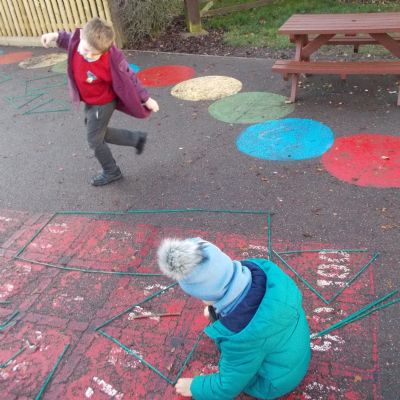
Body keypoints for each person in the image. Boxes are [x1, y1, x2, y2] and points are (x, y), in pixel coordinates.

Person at [157, 238, 311, 400]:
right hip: (290, 358)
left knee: (240, 371)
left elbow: (227, 387)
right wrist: (215, 310)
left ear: (209, 296)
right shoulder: (262, 274)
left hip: (272, 383)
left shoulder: (242, 339)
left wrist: (194, 387)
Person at [41, 17, 159, 186]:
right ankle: (136, 139)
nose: (88, 55)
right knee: (97, 131)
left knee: (94, 140)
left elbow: (130, 76)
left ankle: (112, 171)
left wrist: (146, 98)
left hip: (102, 103)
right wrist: (54, 36)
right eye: (86, 50)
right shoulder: (78, 42)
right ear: (82, 36)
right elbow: (68, 39)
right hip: (90, 101)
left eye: (95, 54)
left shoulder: (111, 58)